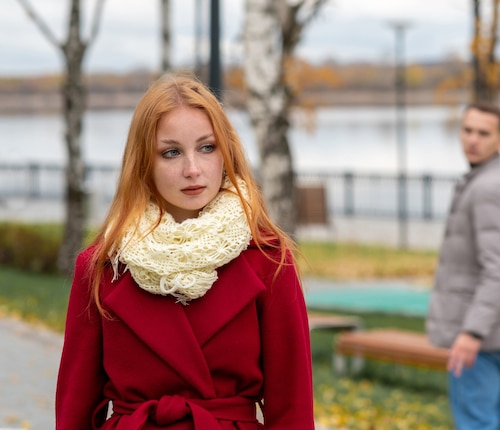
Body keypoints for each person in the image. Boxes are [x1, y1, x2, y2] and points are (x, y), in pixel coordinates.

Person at [55, 73, 315, 429]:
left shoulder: (268, 260)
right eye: (171, 152)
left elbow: (293, 409)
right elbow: (74, 410)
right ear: (144, 162)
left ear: (226, 152)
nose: (192, 169)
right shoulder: (102, 267)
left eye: (207, 147)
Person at [426, 102, 500, 430]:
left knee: (478, 424)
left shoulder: (487, 188)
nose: (473, 139)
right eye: (467, 130)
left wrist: (472, 333)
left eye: (484, 133)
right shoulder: (496, 181)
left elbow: (499, 268)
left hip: (483, 340)